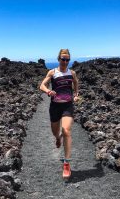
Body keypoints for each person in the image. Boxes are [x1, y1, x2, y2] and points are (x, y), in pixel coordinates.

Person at [39, 49, 79, 179]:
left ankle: (66, 164)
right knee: (56, 132)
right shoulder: (52, 72)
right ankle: (57, 138)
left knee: (66, 130)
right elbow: (42, 85)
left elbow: (76, 83)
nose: (65, 62)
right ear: (58, 59)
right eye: (63, 59)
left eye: (67, 59)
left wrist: (76, 94)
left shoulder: (72, 73)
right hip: (55, 106)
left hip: (67, 105)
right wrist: (48, 91)